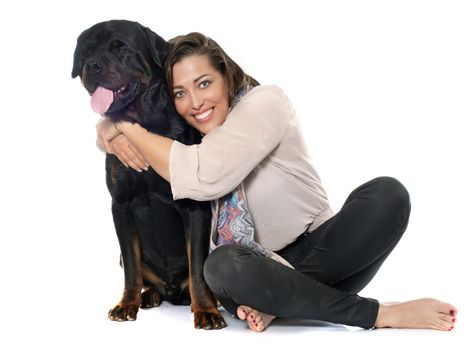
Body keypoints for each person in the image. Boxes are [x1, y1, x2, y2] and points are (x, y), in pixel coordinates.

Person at [96, 32, 457, 332]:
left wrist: (120, 124)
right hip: (250, 274)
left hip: (325, 254)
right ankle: (371, 312)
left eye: (204, 83)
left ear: (227, 75)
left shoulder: (264, 102)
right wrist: (105, 128)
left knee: (388, 193)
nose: (195, 102)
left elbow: (204, 175)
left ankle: (295, 303)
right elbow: (155, 150)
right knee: (220, 266)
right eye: (179, 93)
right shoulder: (183, 136)